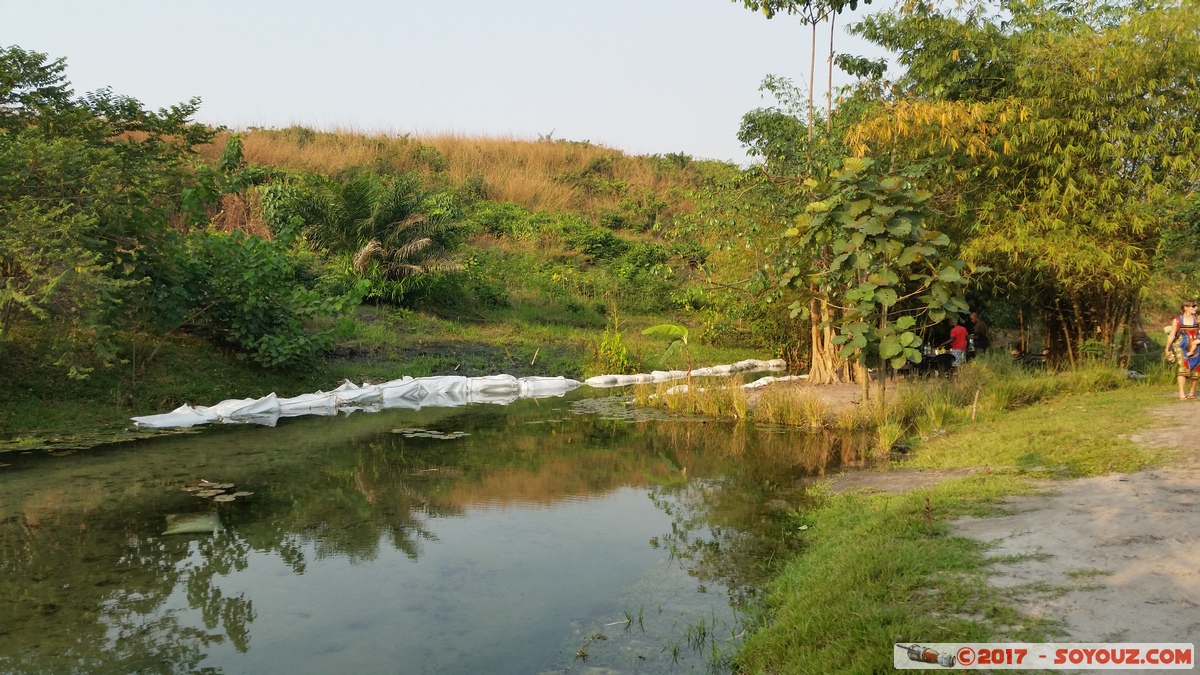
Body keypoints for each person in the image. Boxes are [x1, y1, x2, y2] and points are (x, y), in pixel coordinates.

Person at [1164, 299, 1200, 400]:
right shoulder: (1178, 321)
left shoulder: (1197, 319)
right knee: (1183, 366)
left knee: (1196, 368)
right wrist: (1167, 349)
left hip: (1196, 346)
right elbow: (1172, 335)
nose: (1196, 308)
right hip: (1181, 346)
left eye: (1196, 306)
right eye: (1193, 306)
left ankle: (1192, 392)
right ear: (1186, 308)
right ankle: (1181, 393)